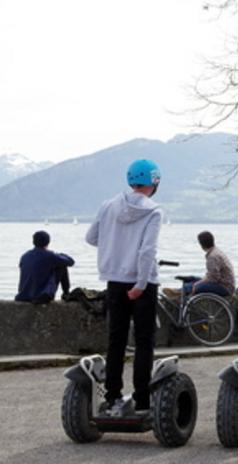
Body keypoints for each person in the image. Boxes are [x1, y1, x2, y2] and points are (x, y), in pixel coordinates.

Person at [85, 159, 164, 415]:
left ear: (130, 180)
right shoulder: (154, 211)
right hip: (143, 282)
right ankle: (142, 400)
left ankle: (113, 396)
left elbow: (91, 237)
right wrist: (140, 284)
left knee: (115, 340)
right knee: (143, 341)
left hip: (114, 280)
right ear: (154, 181)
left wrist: (115, 249)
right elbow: (147, 251)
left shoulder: (107, 206)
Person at [15, 230, 75, 304]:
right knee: (61, 266)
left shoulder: (25, 256)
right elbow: (71, 262)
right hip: (41, 297)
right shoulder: (50, 256)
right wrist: (61, 255)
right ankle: (66, 294)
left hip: (23, 296)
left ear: (33, 242)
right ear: (48, 242)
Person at [182, 231, 235, 297]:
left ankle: (179, 292)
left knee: (194, 286)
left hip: (225, 287)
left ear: (201, 244)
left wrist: (198, 284)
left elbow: (214, 278)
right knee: (192, 279)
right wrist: (201, 280)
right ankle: (179, 291)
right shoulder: (216, 251)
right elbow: (212, 275)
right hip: (226, 284)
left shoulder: (212, 256)